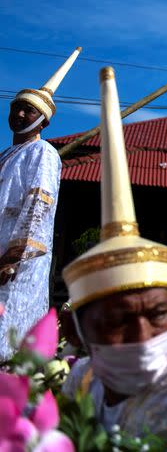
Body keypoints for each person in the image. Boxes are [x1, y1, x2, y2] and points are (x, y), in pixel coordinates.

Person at [62, 67, 167, 438]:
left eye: (157, 314)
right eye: (116, 321)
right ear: (76, 331)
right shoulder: (83, 378)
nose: (141, 335)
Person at [0, 47, 80, 361]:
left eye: (29, 111)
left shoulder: (43, 153)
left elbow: (39, 207)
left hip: (16, 260)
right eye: (17, 107)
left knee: (10, 330)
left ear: (43, 122)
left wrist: (13, 257)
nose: (20, 114)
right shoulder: (5, 156)